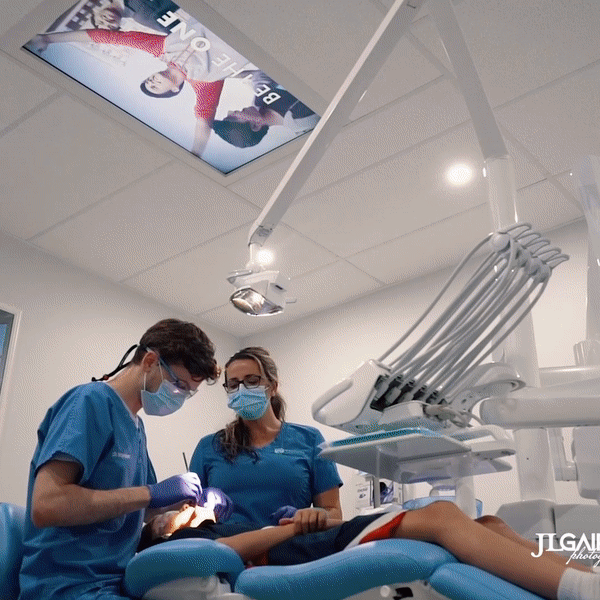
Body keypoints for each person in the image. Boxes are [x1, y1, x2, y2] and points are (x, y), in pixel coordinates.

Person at [18, 318, 226, 600]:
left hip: (116, 581)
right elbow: (47, 506)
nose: (179, 396)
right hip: (67, 584)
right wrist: (151, 493)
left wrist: (189, 502)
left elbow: (142, 509)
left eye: (188, 391)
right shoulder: (90, 402)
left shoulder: (135, 427)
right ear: (150, 361)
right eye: (178, 384)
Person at [140, 501, 599, 600]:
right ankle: (578, 590)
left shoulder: (214, 519)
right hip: (305, 552)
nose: (186, 508)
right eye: (173, 513)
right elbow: (229, 551)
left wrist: (313, 518)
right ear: (161, 531)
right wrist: (290, 527)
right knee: (442, 516)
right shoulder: (183, 541)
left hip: (322, 536)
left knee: (490, 524)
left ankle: (584, 577)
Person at [27, 12, 257, 157]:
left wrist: (48, 38)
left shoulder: (161, 49)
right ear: (174, 90)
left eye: (148, 80)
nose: (152, 81)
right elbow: (203, 122)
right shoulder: (205, 83)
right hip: (251, 31)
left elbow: (109, 37)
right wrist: (195, 155)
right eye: (154, 87)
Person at [190, 347, 343, 533]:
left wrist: (312, 516)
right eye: (233, 385)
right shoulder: (209, 447)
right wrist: (200, 508)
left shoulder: (309, 440)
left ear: (273, 387)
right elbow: (189, 516)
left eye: (252, 381)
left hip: (290, 542)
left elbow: (334, 513)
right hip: (227, 545)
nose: (242, 390)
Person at [212, 71, 319, 148]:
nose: (234, 112)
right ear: (256, 125)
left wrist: (224, 74)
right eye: (233, 118)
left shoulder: (258, 102)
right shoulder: (301, 121)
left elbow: (261, 72)